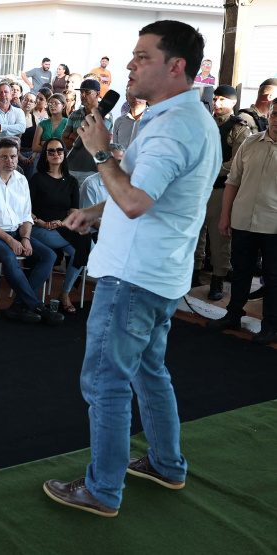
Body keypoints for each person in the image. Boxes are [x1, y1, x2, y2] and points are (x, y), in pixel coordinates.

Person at [44, 20, 221, 517]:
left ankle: (103, 490)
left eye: (142, 56)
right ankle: (167, 463)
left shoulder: (173, 126)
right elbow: (144, 194)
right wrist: (95, 211)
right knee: (148, 372)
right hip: (158, 275)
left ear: (176, 65)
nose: (129, 64)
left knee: (106, 383)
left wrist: (100, 149)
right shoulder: (186, 119)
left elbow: (138, 201)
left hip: (133, 278)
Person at [0, 137, 62, 325]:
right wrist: (11, 241)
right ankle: (37, 306)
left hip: (16, 233)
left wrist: (25, 238)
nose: (9, 161)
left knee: (48, 256)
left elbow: (26, 216)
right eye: (4, 157)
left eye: (13, 156)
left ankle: (20, 305)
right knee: (9, 255)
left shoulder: (21, 180)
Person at [208, 98, 277, 344]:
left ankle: (270, 326)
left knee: (272, 278)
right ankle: (233, 315)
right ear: (269, 116)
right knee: (240, 272)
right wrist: (225, 215)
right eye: (275, 113)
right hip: (242, 220)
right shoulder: (249, 143)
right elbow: (232, 182)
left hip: (273, 226)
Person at [194, 85, 256, 299]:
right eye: (216, 99)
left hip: (221, 188)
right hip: (198, 187)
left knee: (219, 235)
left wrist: (210, 169)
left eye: (223, 100)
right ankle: (194, 271)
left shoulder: (240, 129)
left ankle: (218, 279)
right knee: (195, 232)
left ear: (233, 103)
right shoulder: (203, 123)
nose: (217, 103)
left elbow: (237, 163)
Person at [28, 138, 91, 313]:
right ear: (45, 156)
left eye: (59, 150)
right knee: (85, 243)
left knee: (84, 247)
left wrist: (61, 223)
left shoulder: (71, 181)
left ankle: (65, 293)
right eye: (51, 151)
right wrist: (44, 223)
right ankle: (60, 295)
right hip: (39, 229)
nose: (56, 154)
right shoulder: (37, 179)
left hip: (62, 229)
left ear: (64, 153)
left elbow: (73, 211)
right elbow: (26, 210)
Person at [62, 79, 113, 185]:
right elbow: (64, 140)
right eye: (81, 93)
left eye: (87, 92)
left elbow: (96, 140)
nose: (83, 95)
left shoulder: (106, 115)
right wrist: (83, 138)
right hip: (71, 167)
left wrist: (74, 135)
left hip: (92, 169)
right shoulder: (74, 114)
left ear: (97, 94)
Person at [18, 92, 41, 177]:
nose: (28, 103)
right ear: (21, 101)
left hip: (31, 155)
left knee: (30, 182)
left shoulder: (35, 119)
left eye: (31, 101)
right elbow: (12, 141)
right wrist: (21, 157)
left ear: (35, 104)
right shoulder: (14, 118)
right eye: (26, 100)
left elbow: (39, 139)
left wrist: (34, 155)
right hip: (17, 154)